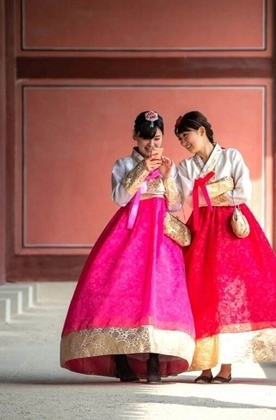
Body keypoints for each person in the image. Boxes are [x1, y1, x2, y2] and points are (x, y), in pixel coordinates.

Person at [60, 110, 195, 384]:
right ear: (135, 136)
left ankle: (154, 360)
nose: (151, 145)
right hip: (129, 234)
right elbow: (120, 197)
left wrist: (168, 176)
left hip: (160, 238)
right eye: (146, 139)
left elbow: (176, 205)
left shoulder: (171, 165)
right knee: (119, 292)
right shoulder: (123, 164)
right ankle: (121, 360)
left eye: (156, 139)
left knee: (159, 295)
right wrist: (143, 168)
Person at [174, 111, 276, 384]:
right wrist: (222, 186)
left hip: (230, 231)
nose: (184, 142)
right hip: (201, 230)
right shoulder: (184, 167)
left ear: (202, 131)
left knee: (227, 297)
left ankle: (226, 368)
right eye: (181, 138)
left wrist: (205, 191)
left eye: (186, 135)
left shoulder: (232, 157)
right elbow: (185, 198)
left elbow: (242, 192)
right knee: (201, 292)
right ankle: (204, 366)